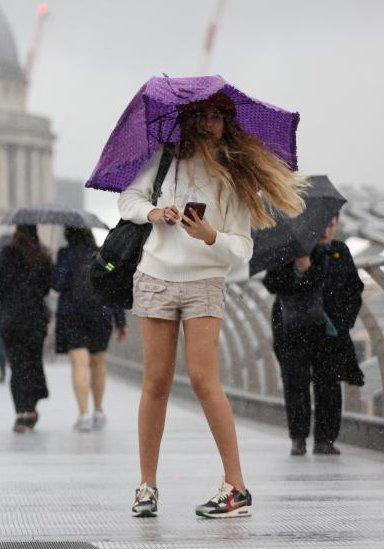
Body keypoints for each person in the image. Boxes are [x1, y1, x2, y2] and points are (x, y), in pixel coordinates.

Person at [117, 92, 306, 519]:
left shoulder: (233, 176)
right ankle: (146, 486)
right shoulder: (165, 159)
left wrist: (209, 236)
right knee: (157, 382)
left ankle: (235, 486)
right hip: (155, 277)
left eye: (217, 116)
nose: (209, 123)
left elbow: (241, 248)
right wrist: (153, 212)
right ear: (187, 119)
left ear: (228, 122)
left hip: (204, 281)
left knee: (204, 379)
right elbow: (127, 200)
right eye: (201, 114)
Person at [262, 217, 364, 456]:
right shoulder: (290, 250)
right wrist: (299, 269)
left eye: (331, 224)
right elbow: (273, 283)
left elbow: (353, 288)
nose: (326, 230)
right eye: (321, 224)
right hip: (293, 329)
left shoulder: (339, 251)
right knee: (295, 382)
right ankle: (298, 438)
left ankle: (325, 439)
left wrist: (345, 321)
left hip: (329, 332)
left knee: (328, 382)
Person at [52, 226, 127, 432]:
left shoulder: (65, 254)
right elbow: (114, 286)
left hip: (73, 314)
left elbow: (57, 285)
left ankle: (83, 414)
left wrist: (58, 264)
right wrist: (120, 322)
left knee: (79, 364)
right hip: (100, 313)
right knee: (98, 363)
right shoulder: (103, 255)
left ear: (68, 234)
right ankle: (99, 410)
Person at [0, 224, 53, 433]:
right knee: (32, 362)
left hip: (10, 319)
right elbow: (46, 288)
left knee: (16, 365)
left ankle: (21, 412)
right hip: (34, 319)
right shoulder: (41, 257)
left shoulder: (2, 257)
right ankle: (31, 408)